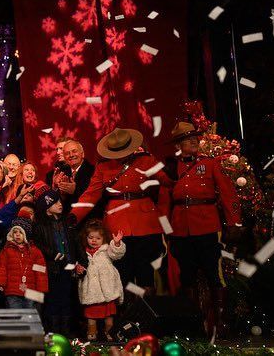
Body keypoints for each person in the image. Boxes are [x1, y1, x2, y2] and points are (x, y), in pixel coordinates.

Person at [69, 128, 173, 295]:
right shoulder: (102, 166)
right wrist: (74, 215)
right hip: (117, 224)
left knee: (146, 270)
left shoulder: (146, 160)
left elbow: (167, 182)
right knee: (123, 271)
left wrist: (174, 170)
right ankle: (128, 308)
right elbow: (91, 194)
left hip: (145, 223)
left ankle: (148, 307)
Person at [164, 122, 241, 336]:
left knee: (214, 273)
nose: (193, 141)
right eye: (187, 139)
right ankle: (194, 322)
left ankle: (220, 322)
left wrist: (234, 223)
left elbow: (228, 193)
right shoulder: (170, 169)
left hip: (207, 225)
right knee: (186, 276)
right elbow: (164, 203)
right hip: (180, 229)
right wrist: (166, 230)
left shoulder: (209, 164)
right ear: (178, 145)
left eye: (195, 137)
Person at [33, 189, 84, 335]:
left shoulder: (67, 223)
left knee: (67, 300)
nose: (60, 204)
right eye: (55, 202)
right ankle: (54, 333)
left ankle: (66, 333)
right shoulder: (40, 226)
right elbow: (38, 245)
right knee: (53, 301)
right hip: (52, 269)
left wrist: (82, 262)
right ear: (47, 208)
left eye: (60, 201)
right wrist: (52, 254)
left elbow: (77, 244)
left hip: (69, 268)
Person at [77, 219, 126, 342]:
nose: (94, 240)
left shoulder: (106, 249)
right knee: (91, 314)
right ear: (86, 237)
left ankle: (110, 332)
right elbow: (78, 265)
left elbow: (117, 254)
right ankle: (92, 332)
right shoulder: (83, 252)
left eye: (98, 238)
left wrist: (116, 243)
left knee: (108, 315)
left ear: (103, 239)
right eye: (91, 237)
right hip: (91, 290)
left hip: (107, 289)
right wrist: (78, 268)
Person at [0, 218, 48, 309]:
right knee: (15, 313)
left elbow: (40, 270)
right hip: (12, 290)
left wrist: (41, 288)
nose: (17, 234)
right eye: (15, 232)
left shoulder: (35, 251)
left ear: (26, 234)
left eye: (21, 232)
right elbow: (1, 267)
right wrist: (1, 283)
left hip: (31, 290)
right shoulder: (6, 250)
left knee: (29, 313)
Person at [52, 140, 95, 216]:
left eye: (74, 151)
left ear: (82, 154)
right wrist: (55, 187)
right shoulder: (61, 173)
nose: (71, 155)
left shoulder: (93, 171)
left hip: (89, 217)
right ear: (65, 157)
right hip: (67, 218)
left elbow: (95, 197)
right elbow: (55, 204)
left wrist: (75, 190)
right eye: (67, 153)